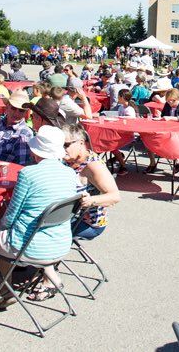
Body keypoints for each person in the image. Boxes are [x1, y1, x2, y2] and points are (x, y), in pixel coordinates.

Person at [0, 126, 80, 318]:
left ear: (35, 151)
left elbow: (11, 216)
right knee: (3, 236)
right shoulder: (70, 174)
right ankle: (5, 289)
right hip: (59, 244)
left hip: (29, 246)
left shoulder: (29, 174)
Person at [27, 124, 122, 301]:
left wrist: (90, 200)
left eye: (66, 145)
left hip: (87, 222)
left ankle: (49, 280)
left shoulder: (93, 166)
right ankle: (33, 263)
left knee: (44, 231)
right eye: (59, 146)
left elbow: (115, 196)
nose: (62, 150)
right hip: (65, 216)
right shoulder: (65, 160)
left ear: (80, 142)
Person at [0, 90, 35, 164]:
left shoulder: (24, 134)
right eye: (13, 108)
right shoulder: (1, 122)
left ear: (25, 113)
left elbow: (21, 166)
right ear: (7, 107)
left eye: (21, 110)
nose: (16, 113)